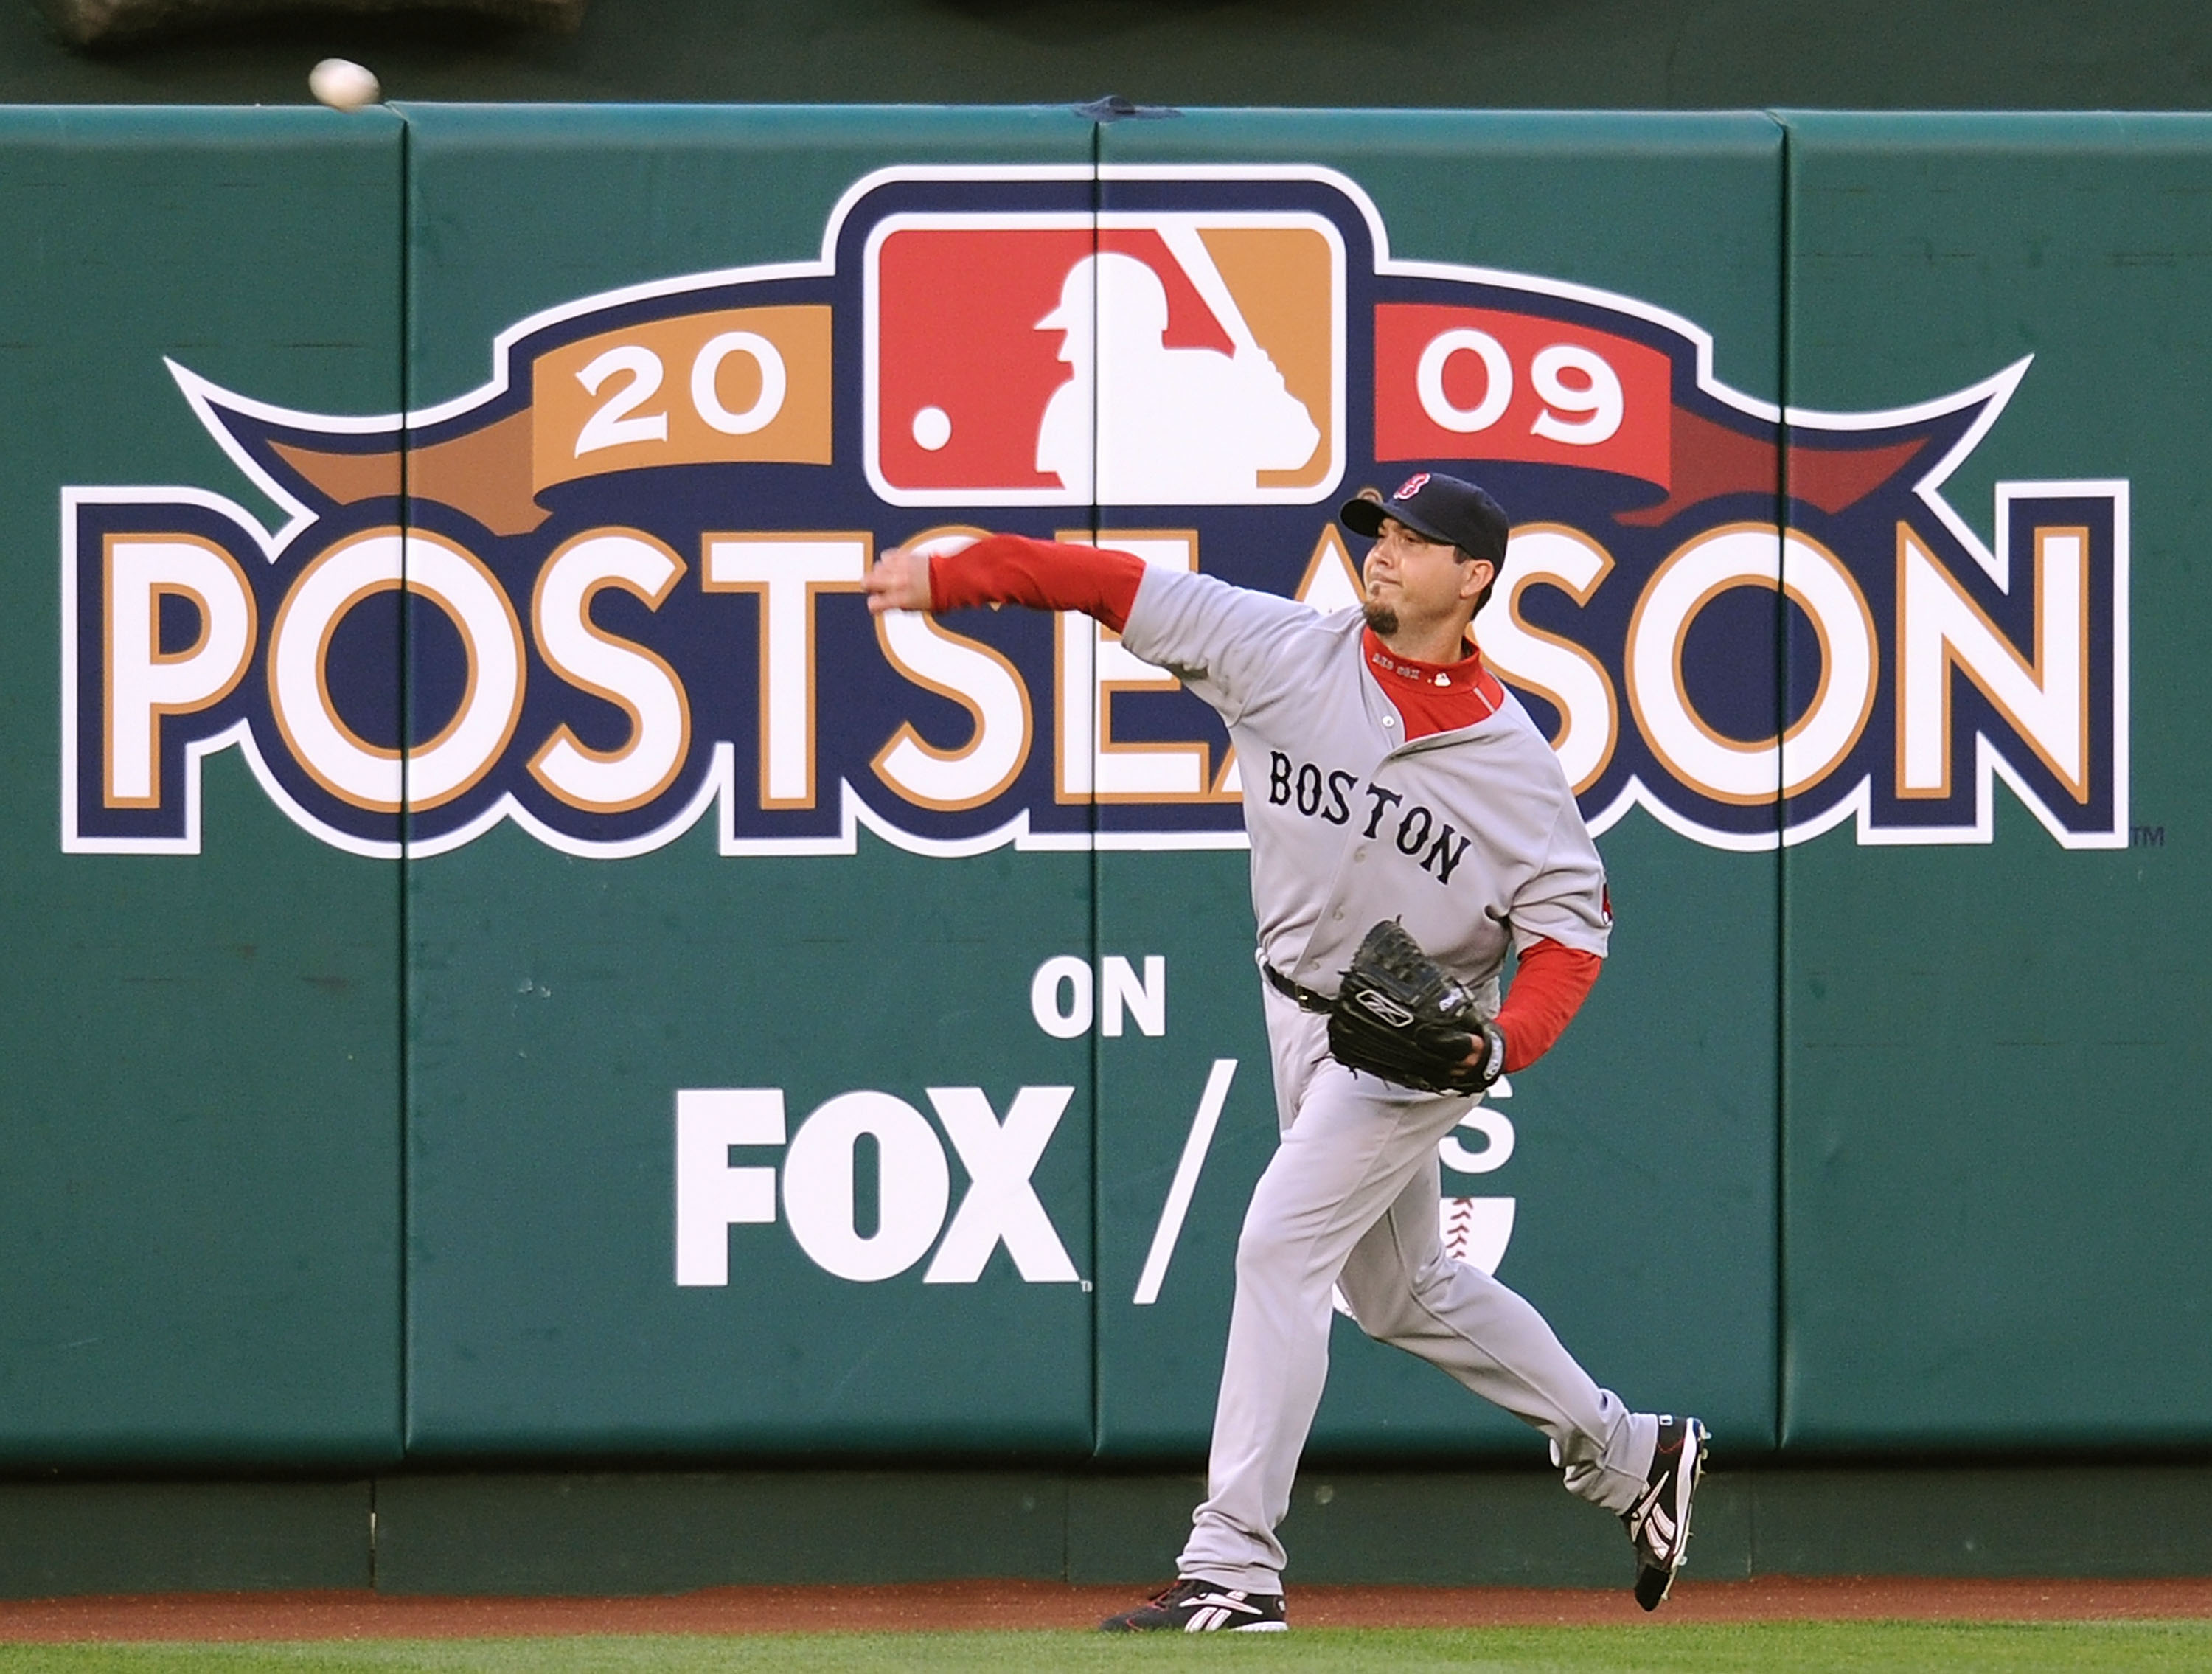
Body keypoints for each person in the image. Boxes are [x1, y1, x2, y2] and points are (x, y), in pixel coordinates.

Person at [863, 470, 1706, 1633]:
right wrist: (958, 576)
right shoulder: (1282, 650)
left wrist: (1499, 1045)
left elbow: (1571, 930)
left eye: (1416, 541)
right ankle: (1632, 1449)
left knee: (1277, 1246)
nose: (1384, 551)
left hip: (1411, 1047)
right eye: (1381, 532)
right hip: (1299, 1013)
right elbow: (1113, 584)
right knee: (1404, 1292)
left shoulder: (1512, 760)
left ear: (1473, 579)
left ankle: (1235, 1565)